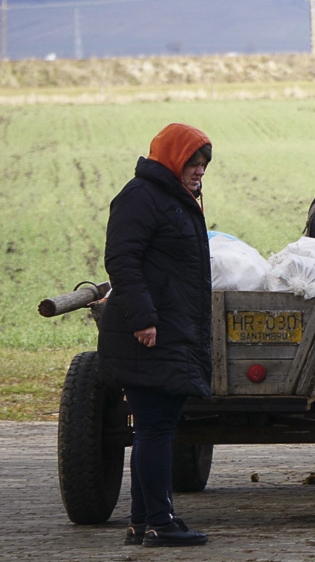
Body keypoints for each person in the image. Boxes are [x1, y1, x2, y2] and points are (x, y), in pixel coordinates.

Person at [98, 123, 214, 547]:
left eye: (203, 165)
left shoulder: (173, 199)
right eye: (192, 163)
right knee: (155, 428)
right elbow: (121, 260)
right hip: (147, 333)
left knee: (154, 426)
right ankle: (161, 523)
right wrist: (143, 319)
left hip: (169, 329)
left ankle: (141, 521)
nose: (199, 171)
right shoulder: (141, 197)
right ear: (172, 159)